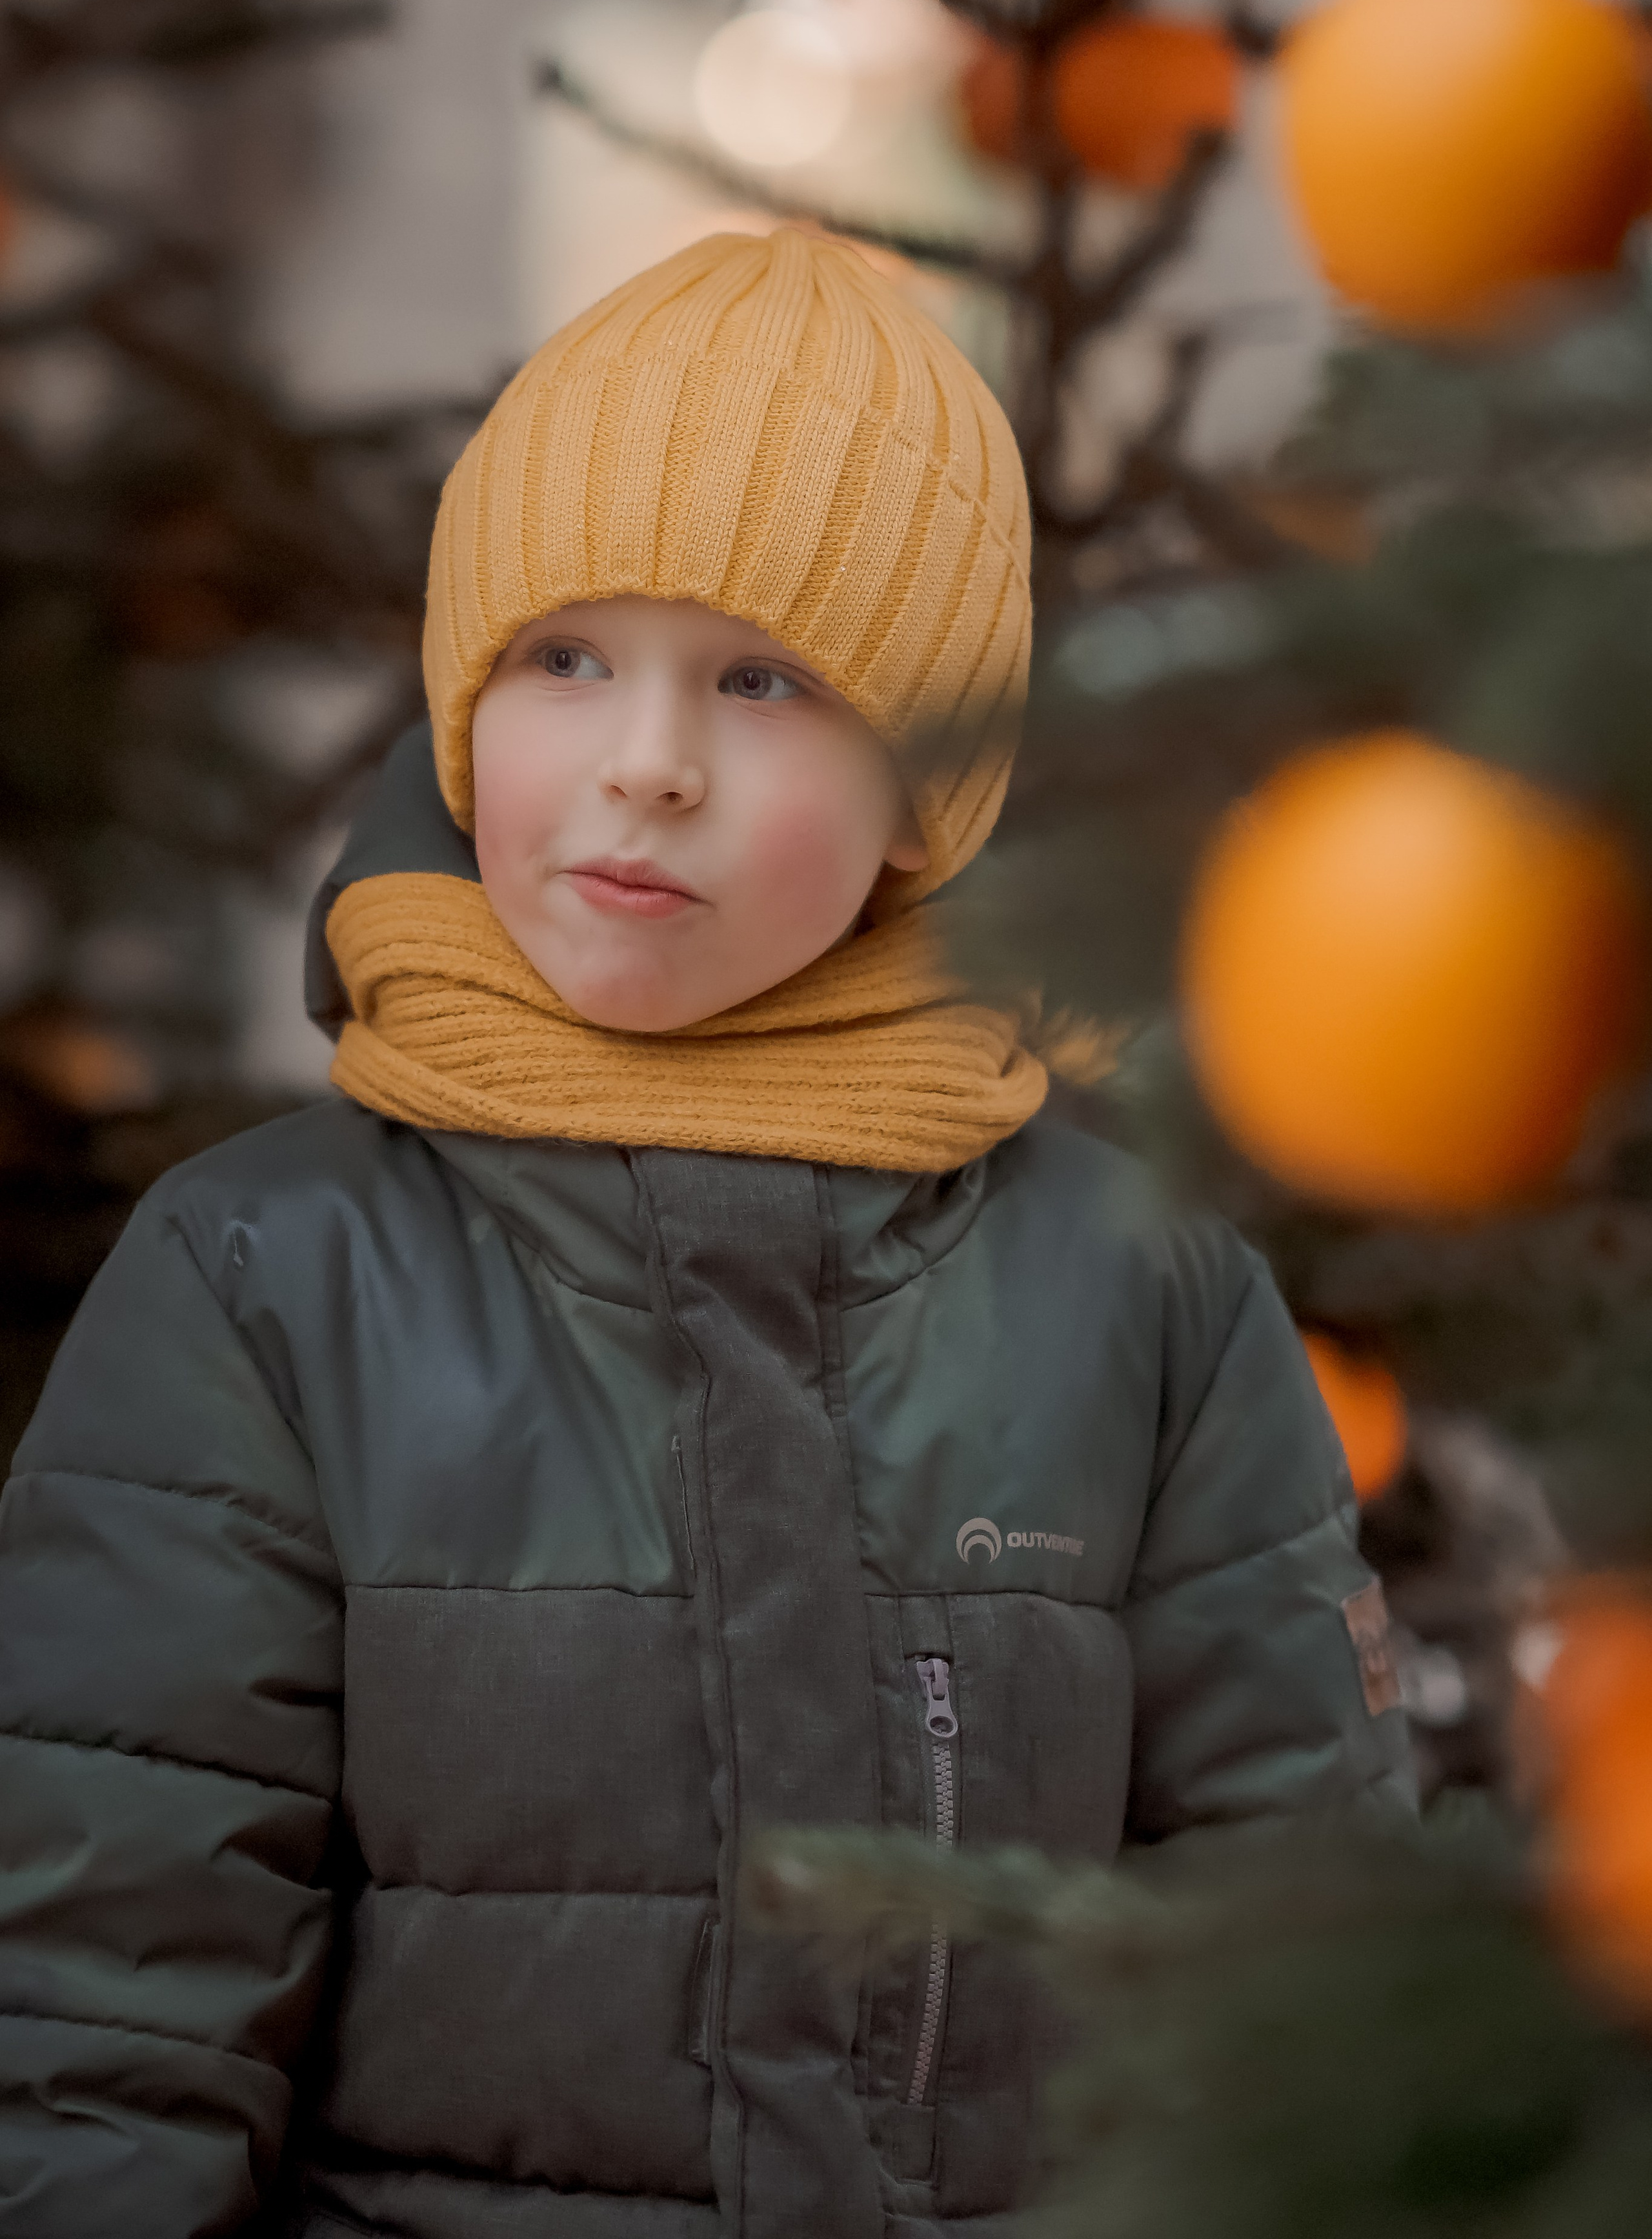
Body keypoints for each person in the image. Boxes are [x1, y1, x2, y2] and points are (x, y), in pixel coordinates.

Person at [0, 230, 1413, 2239]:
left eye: (764, 679)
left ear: (924, 788)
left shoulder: (1141, 1291)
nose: (646, 760)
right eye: (565, 657)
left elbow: (1297, 1968)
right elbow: (103, 1995)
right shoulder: (269, 1278)